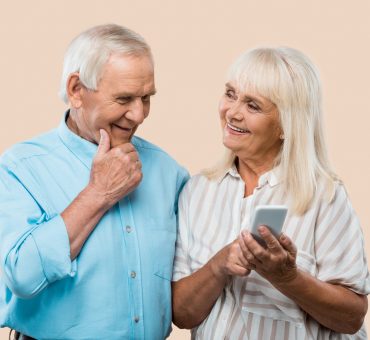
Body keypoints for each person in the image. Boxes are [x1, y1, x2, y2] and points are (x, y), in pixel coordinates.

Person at [0, 24, 188, 339]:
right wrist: (98, 193)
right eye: (124, 98)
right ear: (76, 89)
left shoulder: (170, 173)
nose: (138, 115)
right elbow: (22, 276)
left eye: (146, 98)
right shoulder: (19, 168)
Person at [172, 47, 369, 339]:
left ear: (285, 125)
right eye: (230, 94)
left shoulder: (324, 196)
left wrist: (287, 277)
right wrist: (220, 265)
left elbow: (351, 317)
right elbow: (182, 315)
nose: (232, 113)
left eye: (253, 105)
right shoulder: (196, 192)